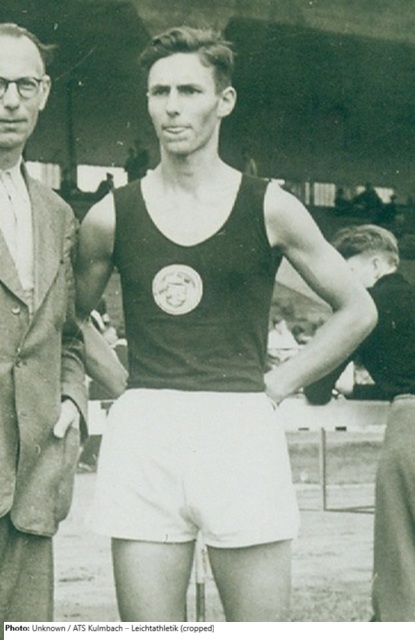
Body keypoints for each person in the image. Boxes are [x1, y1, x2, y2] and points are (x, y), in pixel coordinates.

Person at [75, 26, 376, 622]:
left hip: (239, 426)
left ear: (224, 100)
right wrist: (123, 388)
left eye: (190, 90)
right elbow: (68, 319)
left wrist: (277, 385)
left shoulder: (271, 206)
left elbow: (358, 309)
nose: (173, 106)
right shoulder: (111, 214)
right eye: (160, 92)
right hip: (146, 434)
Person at [0, 23, 87, 630]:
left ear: (44, 93)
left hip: (33, 485)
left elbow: (68, 336)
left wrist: (73, 398)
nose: (9, 100)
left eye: (23, 85)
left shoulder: (57, 213)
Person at [305, 224, 415, 621]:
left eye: (347, 270)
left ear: (375, 265)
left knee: (400, 546)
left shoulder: (363, 308)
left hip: (410, 424)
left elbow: (317, 388)